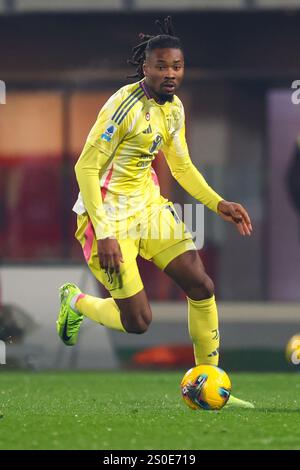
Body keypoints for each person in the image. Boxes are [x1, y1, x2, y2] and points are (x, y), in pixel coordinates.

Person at [57, 17, 253, 408]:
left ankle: (209, 383)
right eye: (161, 66)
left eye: (176, 66)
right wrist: (106, 231)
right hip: (107, 216)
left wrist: (218, 203)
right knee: (138, 322)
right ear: (145, 67)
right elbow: (86, 168)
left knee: (202, 286)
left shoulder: (174, 109)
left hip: (149, 209)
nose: (170, 73)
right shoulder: (122, 107)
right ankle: (76, 302)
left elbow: (181, 166)